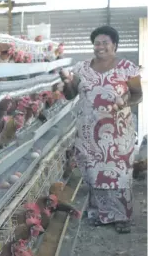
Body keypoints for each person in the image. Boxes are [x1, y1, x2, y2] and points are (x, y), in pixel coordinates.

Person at [60, 25, 143, 234]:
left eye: (105, 42)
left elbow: (137, 95)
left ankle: (122, 216)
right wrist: (67, 83)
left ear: (114, 44)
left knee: (120, 174)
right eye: (97, 43)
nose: (100, 47)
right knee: (94, 173)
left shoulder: (127, 68)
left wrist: (124, 103)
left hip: (119, 131)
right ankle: (99, 214)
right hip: (90, 131)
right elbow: (70, 95)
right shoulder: (81, 69)